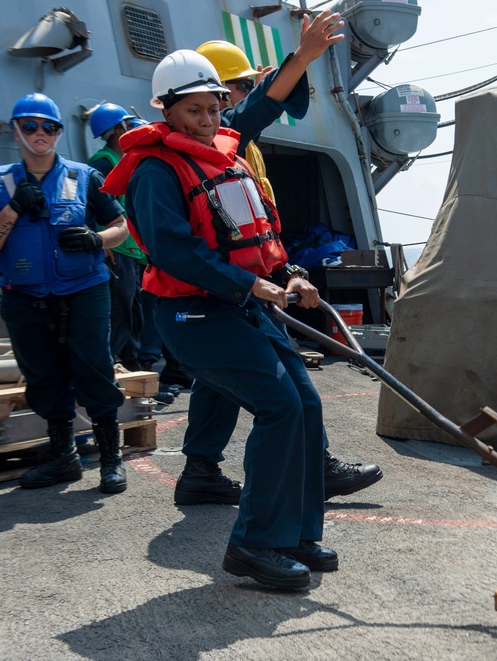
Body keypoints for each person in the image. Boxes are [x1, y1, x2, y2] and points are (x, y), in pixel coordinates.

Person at [102, 46, 339, 589]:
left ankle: (296, 532)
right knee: (279, 406)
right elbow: (172, 250)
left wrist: (289, 274)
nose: (209, 121)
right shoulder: (156, 170)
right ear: (166, 111)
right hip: (192, 316)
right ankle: (254, 544)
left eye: (213, 108)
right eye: (195, 112)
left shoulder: (222, 150)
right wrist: (248, 284)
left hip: (242, 305)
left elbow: (259, 114)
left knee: (304, 403)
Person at [179, 29, 383, 505]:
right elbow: (257, 110)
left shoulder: (235, 145)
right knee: (286, 385)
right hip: (233, 282)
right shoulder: (221, 137)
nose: (242, 99)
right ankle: (313, 468)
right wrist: (302, 58)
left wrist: (286, 266)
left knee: (218, 379)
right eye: (241, 87)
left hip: (245, 275)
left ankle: (200, 470)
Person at [0, 93, 129, 495]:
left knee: (94, 368)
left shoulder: (85, 177)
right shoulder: (0, 183)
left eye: (49, 127)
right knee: (42, 373)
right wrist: (12, 209)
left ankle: (111, 459)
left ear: (59, 133)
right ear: (16, 130)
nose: (39, 134)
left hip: (83, 289)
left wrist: (96, 239)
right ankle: (63, 458)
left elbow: (121, 226)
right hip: (24, 294)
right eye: (30, 126)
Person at [87, 104, 177, 406]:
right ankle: (120, 378)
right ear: (117, 130)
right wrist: (107, 244)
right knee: (122, 315)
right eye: (127, 125)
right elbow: (100, 207)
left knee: (136, 315)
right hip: (117, 251)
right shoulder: (103, 161)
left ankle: (139, 378)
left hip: (132, 251)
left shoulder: (124, 159)